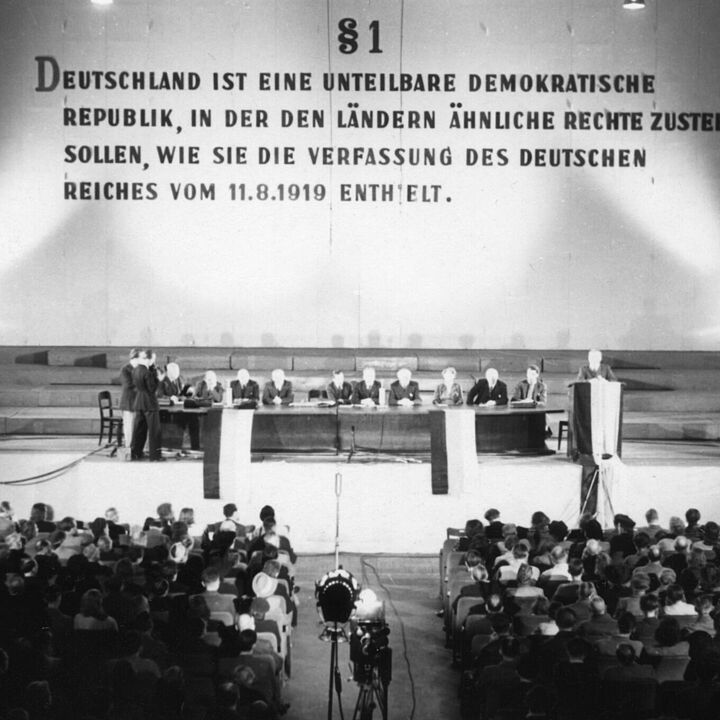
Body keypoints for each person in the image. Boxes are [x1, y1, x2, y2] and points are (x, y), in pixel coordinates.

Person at [131, 349, 163, 462]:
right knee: (154, 430)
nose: (153, 362)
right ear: (148, 359)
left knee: (140, 430)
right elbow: (152, 388)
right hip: (149, 403)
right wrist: (159, 379)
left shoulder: (135, 370)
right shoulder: (147, 372)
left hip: (139, 402)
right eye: (153, 360)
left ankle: (136, 453)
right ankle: (155, 456)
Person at [119, 348, 143, 455]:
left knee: (137, 428)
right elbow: (129, 384)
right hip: (129, 402)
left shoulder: (139, 369)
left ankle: (136, 449)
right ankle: (128, 450)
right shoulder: (125, 369)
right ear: (135, 358)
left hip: (137, 402)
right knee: (129, 429)